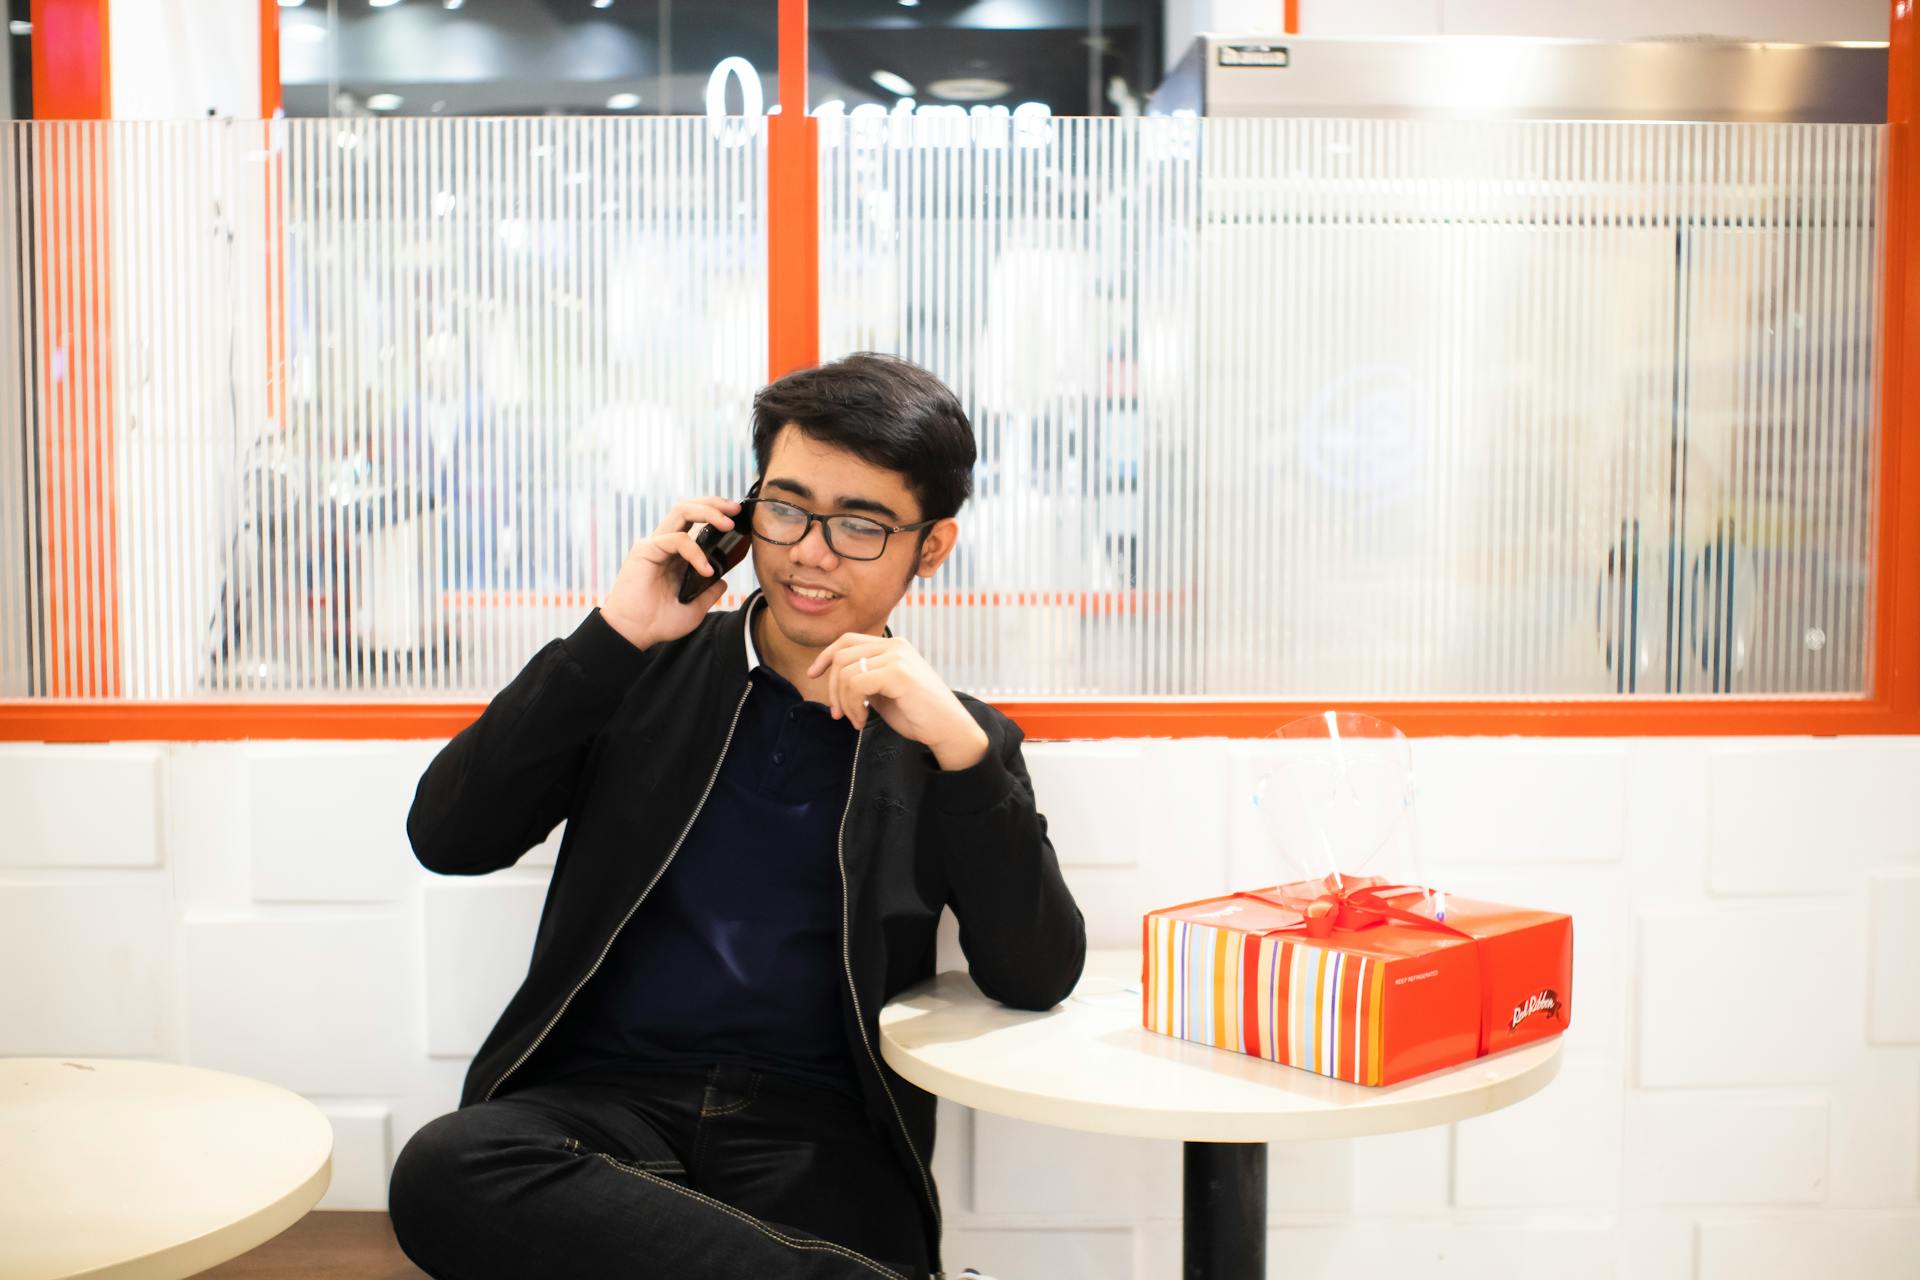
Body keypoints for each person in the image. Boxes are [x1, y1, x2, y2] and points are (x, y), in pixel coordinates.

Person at [388, 352, 1087, 1280]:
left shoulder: (951, 738)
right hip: (602, 1111)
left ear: (933, 545)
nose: (809, 551)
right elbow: (448, 838)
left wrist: (963, 755)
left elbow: (1035, 975)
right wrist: (613, 634)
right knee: (447, 1166)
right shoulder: (638, 667)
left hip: (821, 1133)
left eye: (861, 526)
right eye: (787, 508)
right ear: (742, 506)